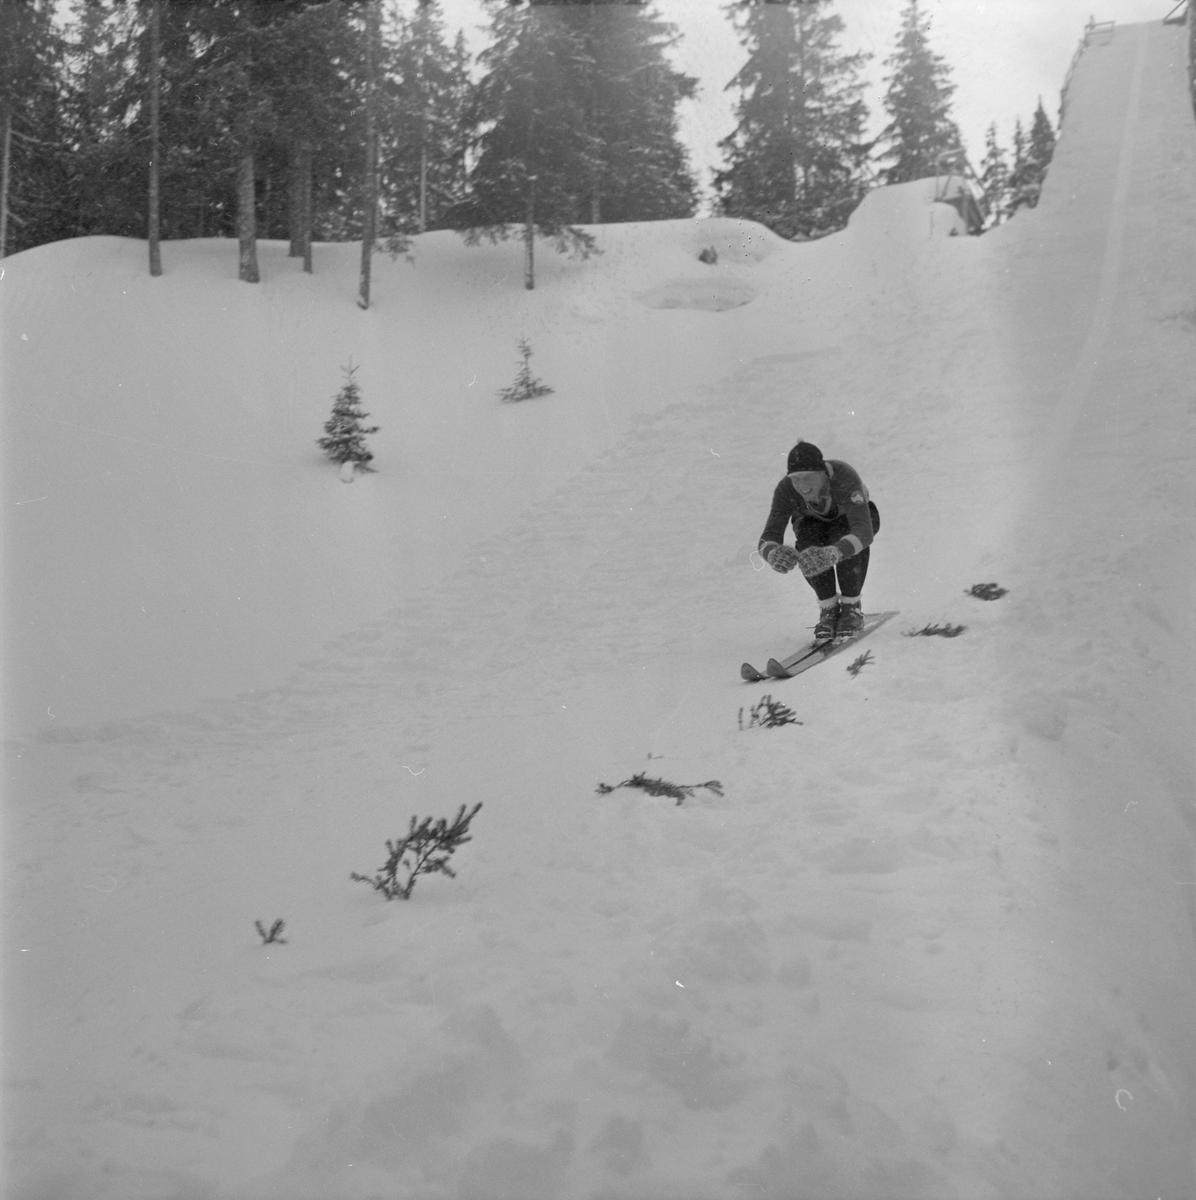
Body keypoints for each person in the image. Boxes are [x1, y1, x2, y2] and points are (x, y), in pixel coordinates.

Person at [758, 440, 880, 642]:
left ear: (823, 473)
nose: (801, 486)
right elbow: (767, 537)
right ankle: (828, 608)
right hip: (813, 525)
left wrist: (835, 552)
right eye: (796, 479)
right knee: (808, 547)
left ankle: (851, 607)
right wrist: (772, 553)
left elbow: (864, 531)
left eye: (808, 478)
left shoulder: (844, 476)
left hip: (852, 521)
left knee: (845, 535)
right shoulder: (785, 489)